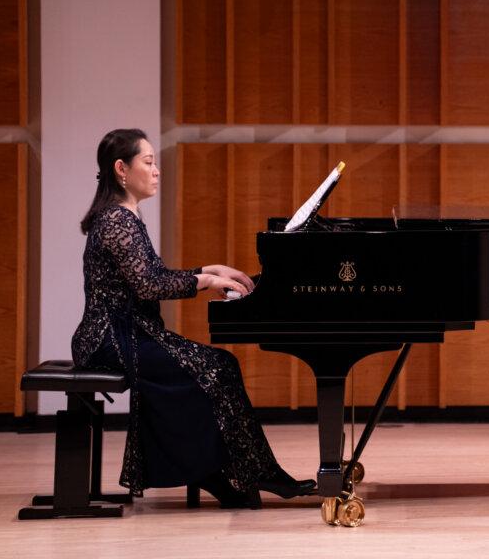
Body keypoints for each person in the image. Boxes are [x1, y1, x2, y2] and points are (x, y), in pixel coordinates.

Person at [72, 128, 315, 508]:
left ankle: (226, 471)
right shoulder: (117, 220)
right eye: (148, 162)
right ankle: (238, 472)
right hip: (112, 340)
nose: (156, 171)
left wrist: (210, 268)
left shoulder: (123, 217)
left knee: (216, 365)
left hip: (129, 336)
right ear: (122, 169)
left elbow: (150, 276)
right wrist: (206, 280)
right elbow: (149, 285)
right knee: (216, 366)